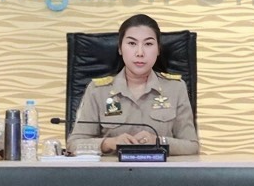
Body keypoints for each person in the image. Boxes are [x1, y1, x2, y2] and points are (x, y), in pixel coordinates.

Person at [67, 13, 199, 155]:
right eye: (132, 43)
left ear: (158, 49)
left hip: (159, 168)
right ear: (120, 48)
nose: (140, 53)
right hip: (113, 169)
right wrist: (108, 143)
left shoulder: (175, 88)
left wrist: (159, 141)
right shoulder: (98, 91)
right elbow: (74, 144)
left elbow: (191, 146)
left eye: (148, 44)